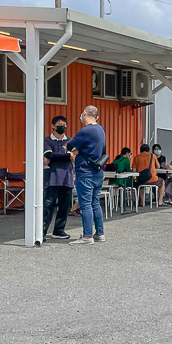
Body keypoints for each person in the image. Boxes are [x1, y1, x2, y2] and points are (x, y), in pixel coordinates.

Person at [69, 105, 107, 246]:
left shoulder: (85, 131)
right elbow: (103, 150)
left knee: (85, 204)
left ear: (84, 113)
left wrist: (75, 150)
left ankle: (87, 236)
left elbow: (70, 145)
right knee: (95, 202)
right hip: (98, 172)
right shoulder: (100, 130)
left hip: (85, 172)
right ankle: (100, 233)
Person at [43, 116, 74, 241]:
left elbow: (74, 155)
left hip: (67, 178)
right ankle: (42, 231)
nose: (63, 127)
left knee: (64, 207)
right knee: (47, 207)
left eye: (64, 125)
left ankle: (59, 230)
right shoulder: (47, 140)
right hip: (52, 178)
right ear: (53, 126)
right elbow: (48, 155)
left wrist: (54, 158)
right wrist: (67, 156)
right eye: (60, 124)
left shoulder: (71, 141)